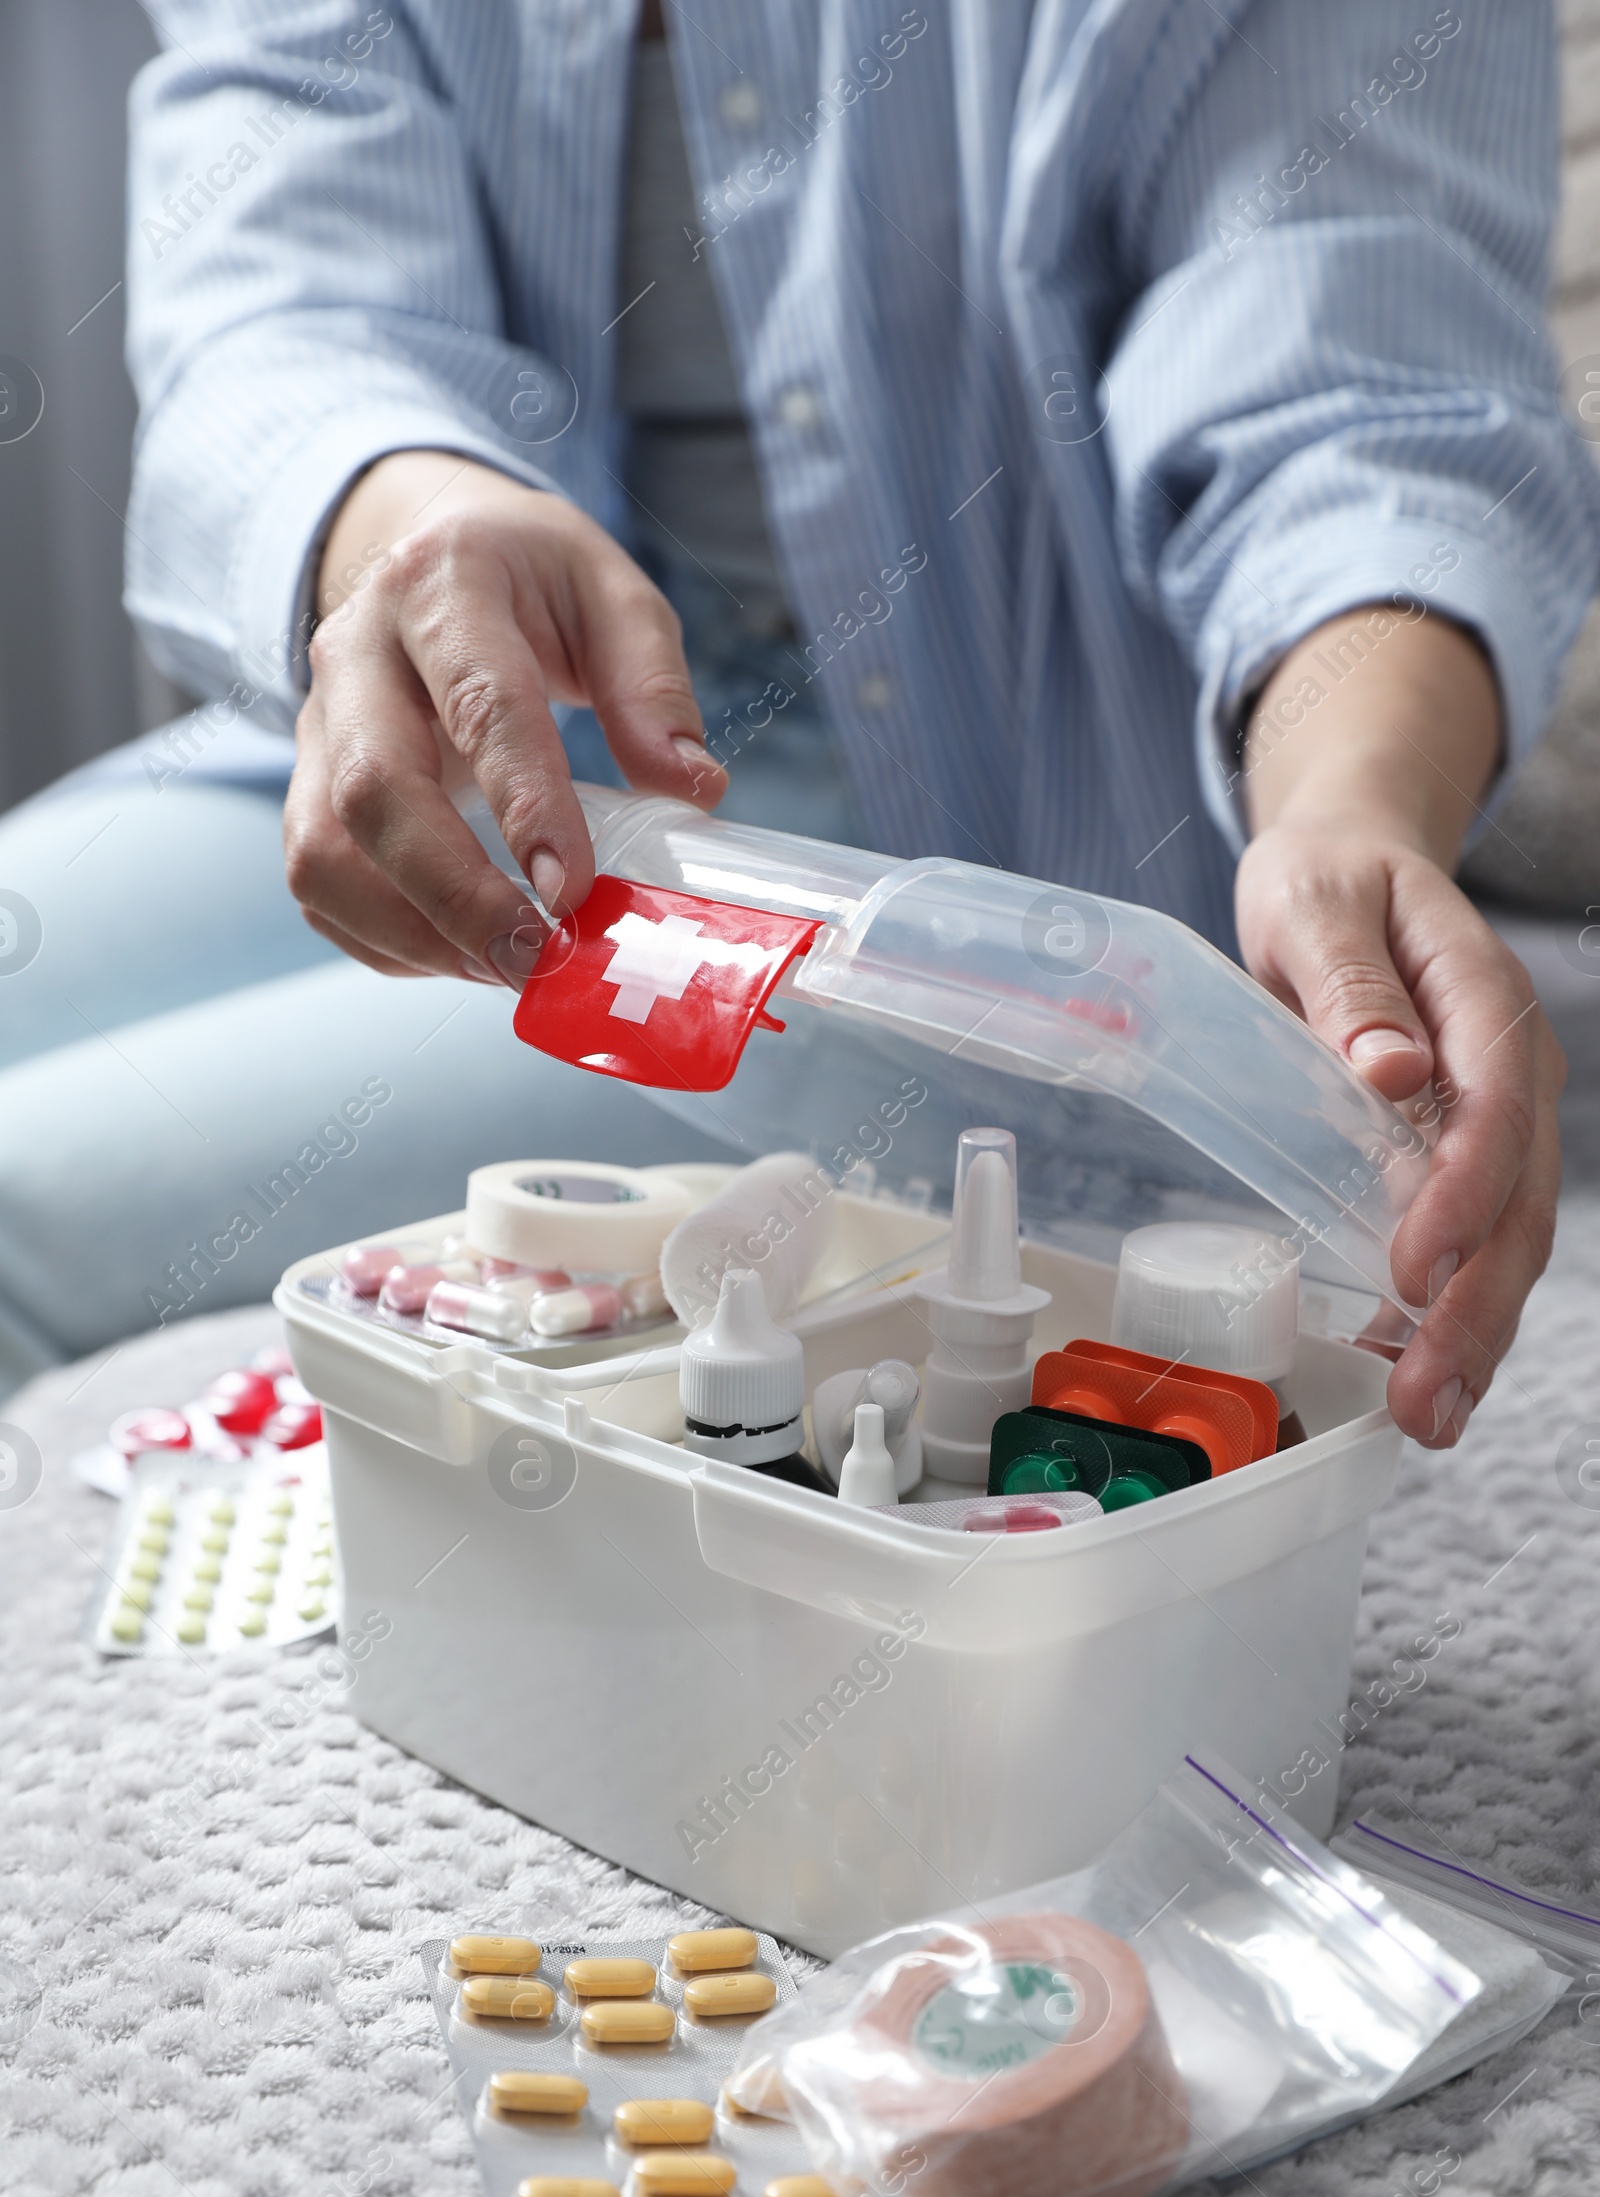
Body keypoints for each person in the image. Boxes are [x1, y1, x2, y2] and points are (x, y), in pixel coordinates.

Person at [0, 3, 1586, 1450]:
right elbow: (283, 297)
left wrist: (1349, 803)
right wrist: (415, 528)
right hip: (500, 737)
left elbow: (1356, 381)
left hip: (963, 890)